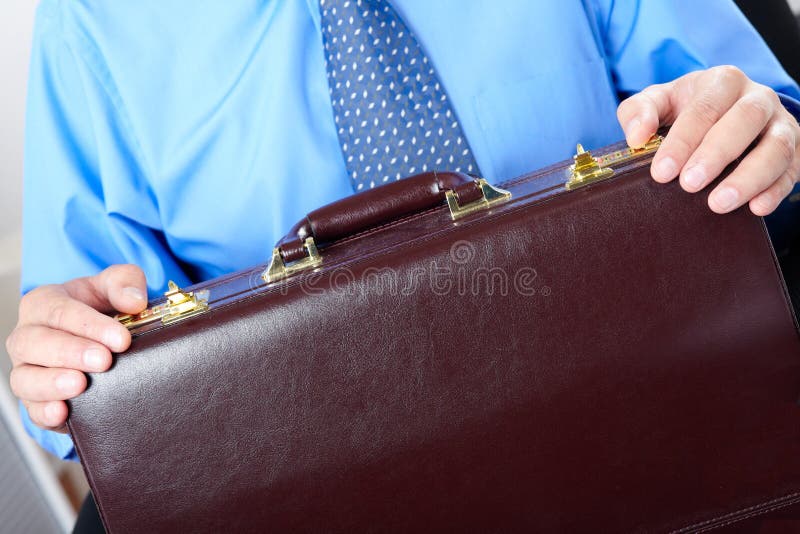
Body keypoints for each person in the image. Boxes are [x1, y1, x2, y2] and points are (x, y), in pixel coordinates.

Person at [6, 0, 800, 480]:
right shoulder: (91, 26)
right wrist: (65, 362)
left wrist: (759, 127)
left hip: (646, 401)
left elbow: (765, 126)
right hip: (321, 470)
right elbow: (99, 380)